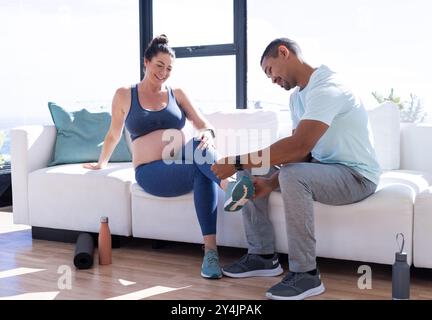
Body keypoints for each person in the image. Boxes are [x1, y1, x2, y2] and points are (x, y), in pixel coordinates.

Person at [211, 37, 381, 299]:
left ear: (284, 52)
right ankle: (263, 256)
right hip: (320, 168)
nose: (272, 80)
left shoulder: (328, 87)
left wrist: (234, 161)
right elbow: (299, 158)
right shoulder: (296, 98)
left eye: (270, 71)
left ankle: (306, 275)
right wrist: (268, 183)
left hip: (356, 176)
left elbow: (299, 146)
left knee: (271, 169)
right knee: (254, 170)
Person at [84, 35, 254, 280]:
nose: (164, 73)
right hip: (151, 172)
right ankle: (213, 247)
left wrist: (208, 134)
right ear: (146, 62)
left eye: (169, 68)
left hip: (182, 159)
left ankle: (229, 192)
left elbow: (203, 124)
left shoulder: (178, 93)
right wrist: (102, 162)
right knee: (200, 171)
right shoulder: (124, 94)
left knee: (198, 143)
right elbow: (113, 133)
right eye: (159, 66)